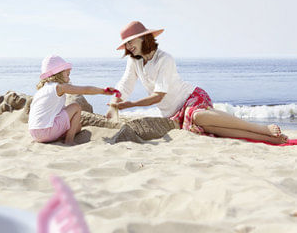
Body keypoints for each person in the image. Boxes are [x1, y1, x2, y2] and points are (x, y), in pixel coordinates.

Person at [107, 21, 288, 144]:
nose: (129, 46)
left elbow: (158, 95)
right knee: (211, 127)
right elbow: (126, 84)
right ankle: (270, 139)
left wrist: (128, 105)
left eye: (131, 41)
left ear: (144, 37)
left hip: (191, 98)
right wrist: (115, 101)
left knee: (196, 116)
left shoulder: (165, 59)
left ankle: (262, 129)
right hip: (173, 113)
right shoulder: (134, 61)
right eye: (126, 44)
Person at [29, 55, 116, 145]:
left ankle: (57, 137)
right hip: (46, 131)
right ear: (58, 73)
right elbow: (85, 90)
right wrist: (103, 91)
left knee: (77, 127)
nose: (69, 78)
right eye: (67, 74)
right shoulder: (59, 87)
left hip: (34, 133)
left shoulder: (43, 89)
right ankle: (69, 140)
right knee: (76, 107)